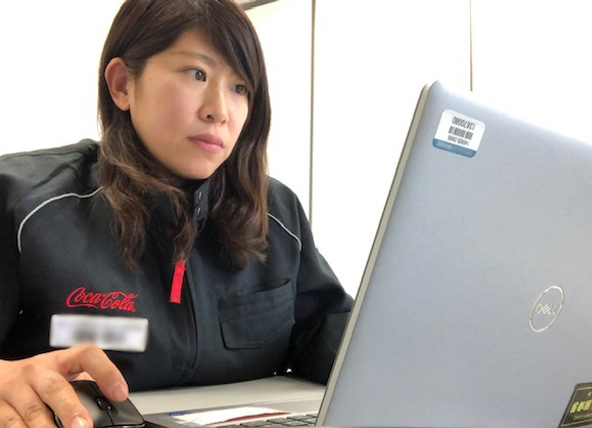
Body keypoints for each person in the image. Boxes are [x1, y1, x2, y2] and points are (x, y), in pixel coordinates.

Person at [0, 1, 353, 428]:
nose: (219, 110)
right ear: (122, 85)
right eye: (196, 74)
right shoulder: (24, 205)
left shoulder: (274, 214)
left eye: (240, 87)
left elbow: (336, 341)